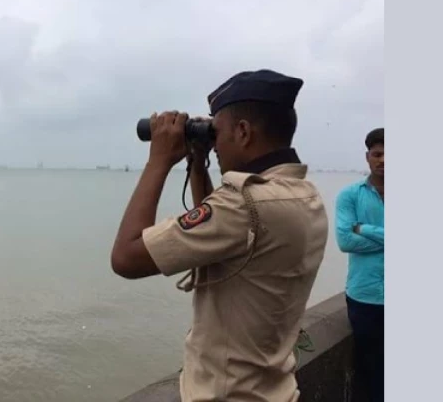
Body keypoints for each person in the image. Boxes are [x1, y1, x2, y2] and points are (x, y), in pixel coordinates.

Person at [110, 69, 328, 402]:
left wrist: (158, 160)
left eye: (218, 131)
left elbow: (126, 257)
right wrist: (198, 163)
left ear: (243, 132)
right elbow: (222, 232)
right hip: (271, 389)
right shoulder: (301, 193)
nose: (217, 142)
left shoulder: (245, 204)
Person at [334, 128, 384, 402]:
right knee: (371, 372)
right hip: (365, 298)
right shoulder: (350, 195)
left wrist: (364, 228)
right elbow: (345, 241)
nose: (384, 160)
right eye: (377, 154)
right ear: (368, 157)